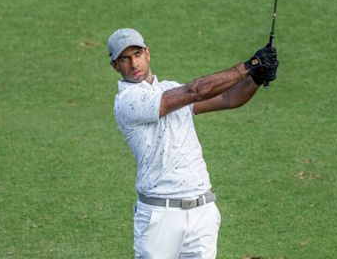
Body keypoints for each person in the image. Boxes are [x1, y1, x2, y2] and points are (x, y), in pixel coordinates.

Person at [108, 28, 279, 259]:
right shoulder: (128, 101)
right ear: (115, 66)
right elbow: (195, 91)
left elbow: (228, 99)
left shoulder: (169, 88)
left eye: (137, 54)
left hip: (202, 211)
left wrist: (256, 78)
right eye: (124, 59)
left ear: (147, 53)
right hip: (160, 216)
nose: (133, 62)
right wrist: (249, 66)